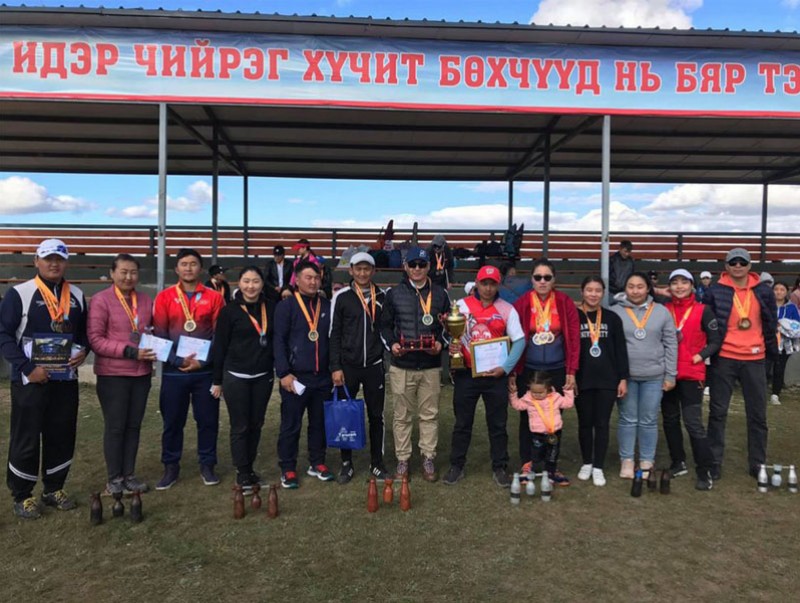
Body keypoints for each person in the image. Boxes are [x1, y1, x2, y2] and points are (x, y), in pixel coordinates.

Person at [0, 239, 88, 518]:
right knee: (26, 437)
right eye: (48, 258)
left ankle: (54, 488)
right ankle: (22, 495)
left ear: (66, 263)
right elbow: (4, 335)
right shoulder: (20, 293)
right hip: (30, 380)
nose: (54, 264)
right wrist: (27, 368)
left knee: (62, 433)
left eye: (59, 259)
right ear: (36, 261)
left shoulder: (77, 295)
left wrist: (84, 351)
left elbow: (83, 334)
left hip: (64, 379)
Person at [443, 265, 526, 488]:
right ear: (477, 283)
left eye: (492, 284)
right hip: (466, 374)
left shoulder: (507, 309)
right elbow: (450, 333)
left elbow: (519, 341)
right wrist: (452, 346)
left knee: (498, 424)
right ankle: (456, 465)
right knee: (462, 423)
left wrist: (505, 368)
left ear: (498, 285)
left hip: (495, 376)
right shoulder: (461, 306)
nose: (488, 288)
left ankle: (500, 466)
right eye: (484, 283)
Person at [152, 248, 225, 490]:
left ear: (200, 268)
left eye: (193, 264)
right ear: (176, 269)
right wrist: (177, 361)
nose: (188, 268)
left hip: (204, 372)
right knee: (173, 422)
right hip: (174, 372)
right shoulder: (164, 297)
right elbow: (160, 335)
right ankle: (170, 467)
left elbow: (219, 336)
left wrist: (203, 362)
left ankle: (208, 464)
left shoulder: (214, 297)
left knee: (208, 421)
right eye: (184, 264)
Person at [702, 247, 777, 480]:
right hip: (724, 357)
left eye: (742, 262)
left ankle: (758, 463)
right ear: (726, 266)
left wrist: (771, 352)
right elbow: (707, 323)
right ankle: (713, 463)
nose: (737, 266)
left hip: (755, 358)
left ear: (749, 266)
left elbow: (770, 321)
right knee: (718, 413)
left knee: (758, 415)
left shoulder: (763, 291)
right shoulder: (715, 290)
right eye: (733, 262)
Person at [87, 253, 156, 496]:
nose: (128, 277)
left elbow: (150, 330)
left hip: (141, 374)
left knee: (133, 426)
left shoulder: (145, 299)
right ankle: (114, 478)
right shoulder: (101, 300)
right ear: (112, 273)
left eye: (133, 272)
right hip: (113, 375)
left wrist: (155, 347)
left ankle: (129, 474)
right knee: (116, 427)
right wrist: (130, 351)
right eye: (123, 272)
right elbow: (95, 340)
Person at [380, 247, 450, 482]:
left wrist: (441, 343)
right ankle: (403, 459)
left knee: (429, 415)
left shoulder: (440, 294)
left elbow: (449, 327)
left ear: (429, 266)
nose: (417, 268)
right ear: (405, 267)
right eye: (413, 264)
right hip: (402, 366)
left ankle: (428, 457)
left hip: (430, 366)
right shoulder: (393, 294)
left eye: (421, 264)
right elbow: (384, 326)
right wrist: (392, 344)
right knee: (402, 416)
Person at [512, 259, 579, 485]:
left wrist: (571, 371)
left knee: (554, 417)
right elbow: (513, 338)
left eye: (547, 277)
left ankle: (551, 464)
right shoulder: (522, 303)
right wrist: (513, 372)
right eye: (538, 277)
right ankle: (527, 462)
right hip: (528, 369)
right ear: (531, 280)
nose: (542, 281)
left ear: (554, 280)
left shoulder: (564, 302)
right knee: (527, 416)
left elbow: (573, 339)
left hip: (557, 369)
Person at [211, 266, 277, 492]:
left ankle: (249, 467)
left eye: (255, 281)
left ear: (262, 284)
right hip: (236, 376)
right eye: (246, 281)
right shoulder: (229, 311)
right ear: (239, 283)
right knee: (240, 425)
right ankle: (242, 471)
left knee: (256, 424)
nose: (251, 286)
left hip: (263, 376)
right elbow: (220, 346)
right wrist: (217, 380)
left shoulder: (271, 307)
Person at [329, 252, 389, 483]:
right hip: (348, 366)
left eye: (367, 269)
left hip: (374, 365)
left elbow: (386, 329)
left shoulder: (382, 296)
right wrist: (336, 367)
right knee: (345, 415)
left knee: (376, 415)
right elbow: (334, 334)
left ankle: (377, 463)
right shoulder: (341, 297)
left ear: (373, 271)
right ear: (351, 270)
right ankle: (347, 463)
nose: (363, 273)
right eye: (358, 269)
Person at [611, 272, 677, 479]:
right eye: (631, 286)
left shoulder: (661, 312)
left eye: (640, 286)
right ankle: (627, 460)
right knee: (627, 419)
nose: (635, 291)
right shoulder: (615, 312)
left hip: (654, 376)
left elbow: (671, 343)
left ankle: (647, 460)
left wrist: (671, 375)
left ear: (648, 288)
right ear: (625, 289)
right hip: (626, 377)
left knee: (649, 419)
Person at [274, 260, 334, 488]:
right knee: (291, 425)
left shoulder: (327, 305)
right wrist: (284, 373)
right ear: (297, 280)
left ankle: (317, 462)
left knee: (319, 423)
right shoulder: (286, 306)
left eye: (317, 278)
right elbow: (278, 341)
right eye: (308, 277)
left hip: (322, 377)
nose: (313, 282)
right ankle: (288, 467)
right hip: (295, 378)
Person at [661, 269, 721, 491]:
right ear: (669, 287)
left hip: (692, 373)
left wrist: (700, 356)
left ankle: (705, 469)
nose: (679, 287)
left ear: (692, 286)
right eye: (674, 282)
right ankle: (678, 462)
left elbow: (715, 340)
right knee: (670, 419)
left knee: (693, 423)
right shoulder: (663, 309)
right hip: (667, 372)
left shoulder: (703, 310)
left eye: (684, 282)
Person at [574, 276, 629, 487]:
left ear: (603, 293)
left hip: (608, 379)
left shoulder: (612, 318)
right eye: (589, 290)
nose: (593, 294)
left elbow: (620, 350)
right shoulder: (574, 316)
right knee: (585, 422)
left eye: (598, 290)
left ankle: (598, 466)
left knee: (602, 423)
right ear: (582, 292)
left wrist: (622, 378)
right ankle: (586, 462)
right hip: (582, 379)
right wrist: (571, 376)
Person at [508, 371, 575, 483]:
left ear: (548, 389)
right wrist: (513, 394)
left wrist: (568, 390)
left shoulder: (556, 397)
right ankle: (531, 470)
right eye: (534, 392)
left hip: (554, 433)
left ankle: (551, 472)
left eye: (540, 392)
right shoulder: (528, 399)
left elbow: (568, 403)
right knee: (536, 455)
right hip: (537, 434)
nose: (537, 395)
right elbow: (517, 405)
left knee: (552, 455)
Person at [768, 280, 800, 406]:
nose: (778, 292)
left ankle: (775, 394)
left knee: (779, 368)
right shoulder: (767, 305)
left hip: (785, 344)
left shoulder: (792, 307)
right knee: (764, 367)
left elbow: (796, 326)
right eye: (776, 289)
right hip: (767, 342)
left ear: (787, 292)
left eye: (782, 290)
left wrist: (782, 326)